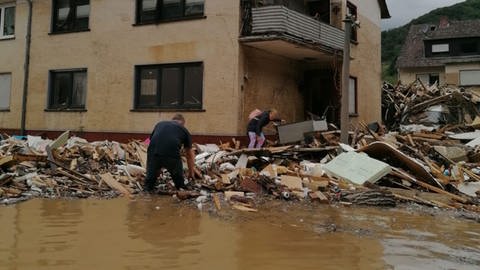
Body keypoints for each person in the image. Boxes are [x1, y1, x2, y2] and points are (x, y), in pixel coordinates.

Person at [144, 114, 195, 192]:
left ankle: (147, 192)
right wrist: (191, 173)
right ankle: (180, 188)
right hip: (172, 154)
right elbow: (189, 155)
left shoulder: (159, 124)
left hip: (153, 152)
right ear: (182, 123)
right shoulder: (184, 130)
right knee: (180, 185)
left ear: (172, 120)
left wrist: (154, 168)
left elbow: (149, 142)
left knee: (149, 184)